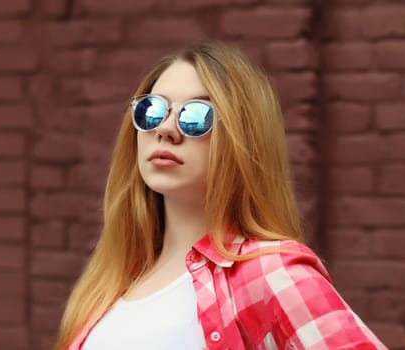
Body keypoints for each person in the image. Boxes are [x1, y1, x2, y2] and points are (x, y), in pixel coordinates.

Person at [54, 41, 387, 350]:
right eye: (152, 110)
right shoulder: (112, 284)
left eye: (197, 116)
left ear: (242, 137)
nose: (166, 129)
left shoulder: (267, 272)